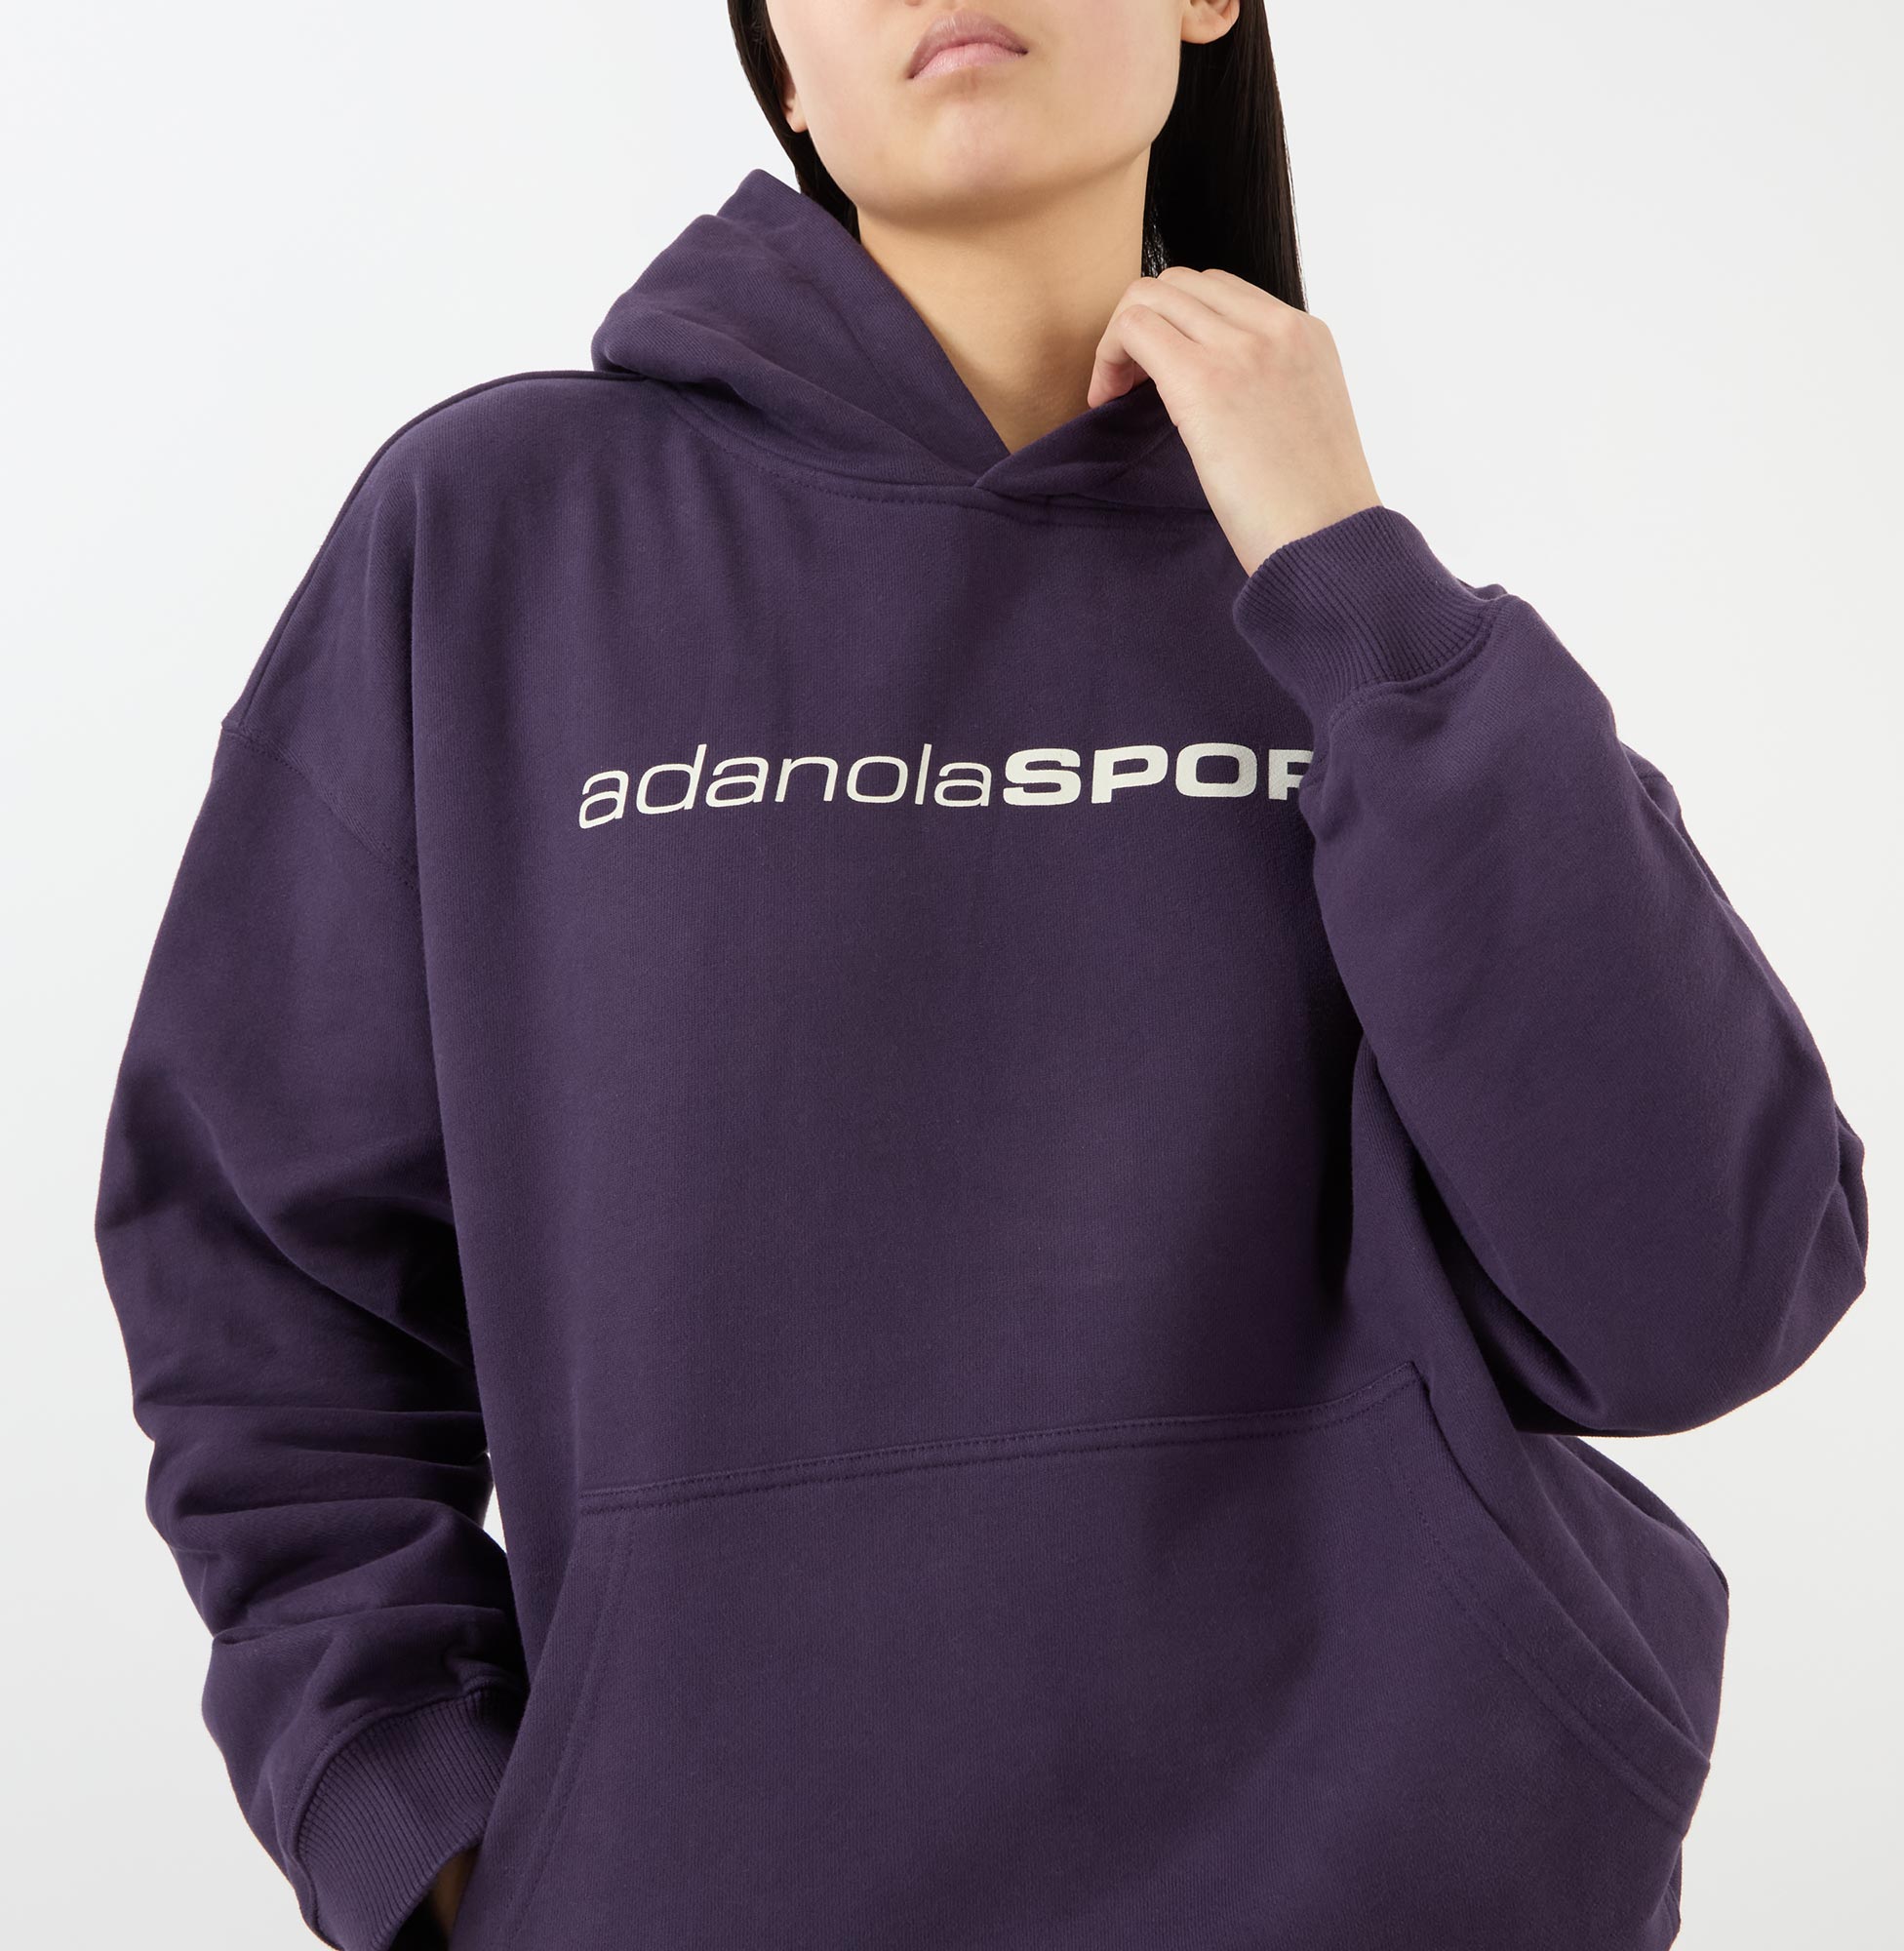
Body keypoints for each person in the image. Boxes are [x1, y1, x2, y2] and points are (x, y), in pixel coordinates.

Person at [93, 4, 1872, 1948]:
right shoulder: (503, 535)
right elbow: (254, 1271)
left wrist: (1348, 575)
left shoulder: (1361, 630)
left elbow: (1698, 1298)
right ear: (783, 67)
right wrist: (413, 1819)